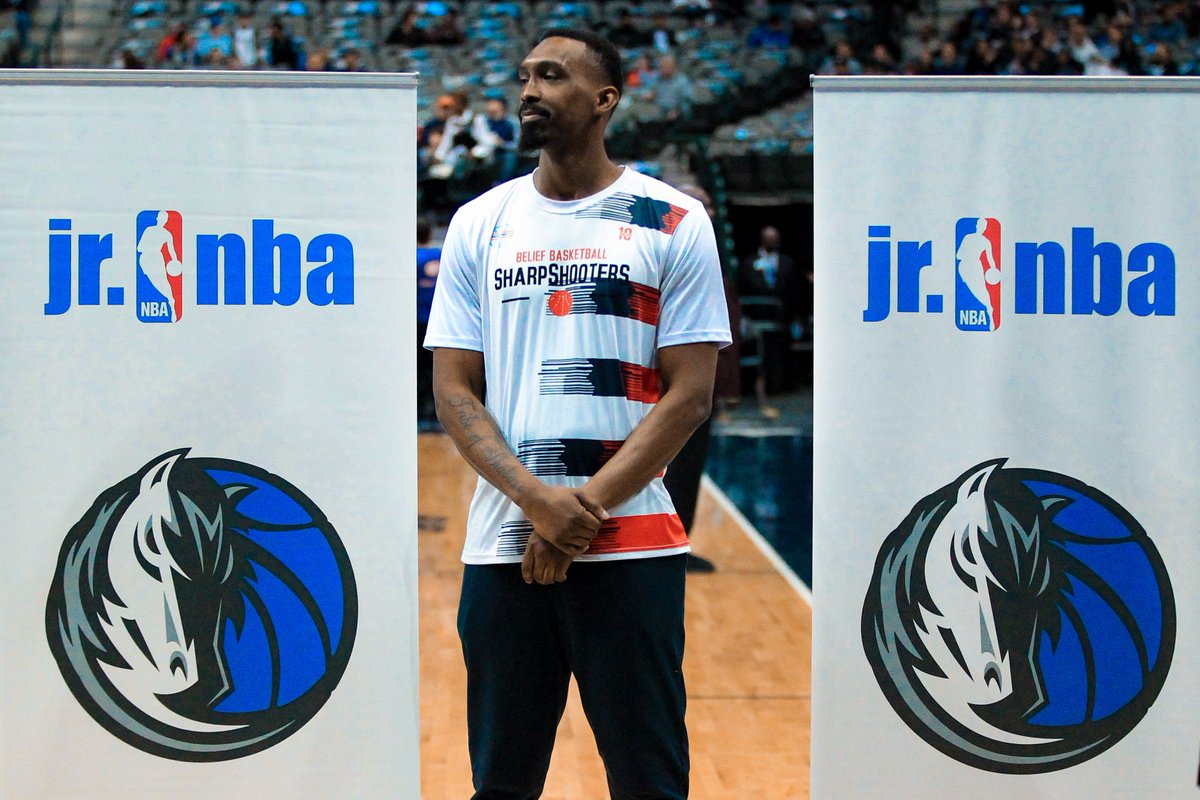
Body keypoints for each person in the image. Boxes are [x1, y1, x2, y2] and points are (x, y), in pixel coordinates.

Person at [424, 28, 730, 800]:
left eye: (551, 76)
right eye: (524, 76)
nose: (528, 89)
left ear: (604, 101)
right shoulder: (479, 223)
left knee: (650, 783)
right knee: (500, 784)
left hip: (632, 548)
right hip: (504, 544)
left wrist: (582, 510)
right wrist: (538, 504)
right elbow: (455, 390)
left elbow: (689, 393)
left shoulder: (675, 221)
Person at [416, 218, 441, 424]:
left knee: (420, 369)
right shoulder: (441, 255)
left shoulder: (412, 258)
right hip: (439, 322)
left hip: (417, 322)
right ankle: (435, 412)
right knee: (438, 369)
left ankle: (422, 413)